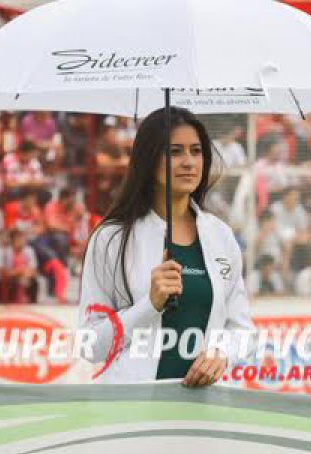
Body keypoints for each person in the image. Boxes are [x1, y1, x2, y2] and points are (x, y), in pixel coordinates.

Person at [78, 107, 255, 385]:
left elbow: (243, 332)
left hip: (206, 413)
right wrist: (149, 305)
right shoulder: (111, 238)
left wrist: (222, 353)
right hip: (133, 414)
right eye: (174, 152)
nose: (188, 162)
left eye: (196, 151)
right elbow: (90, 346)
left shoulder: (221, 236)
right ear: (149, 160)